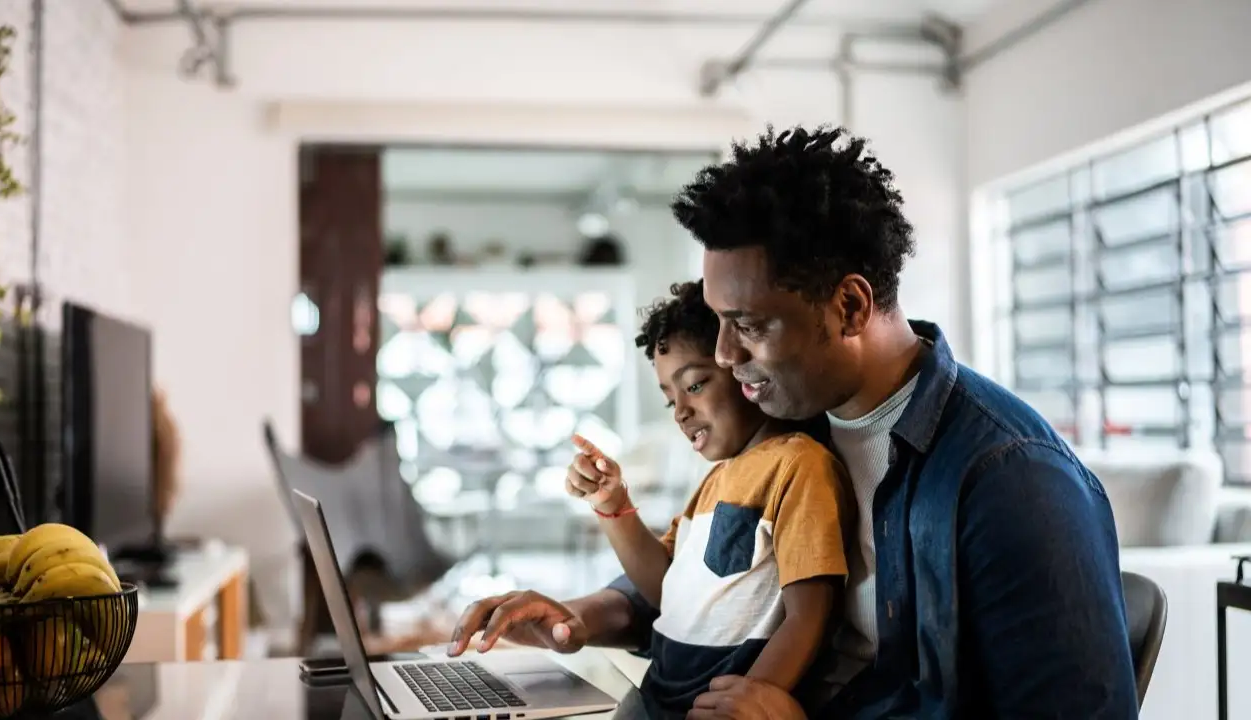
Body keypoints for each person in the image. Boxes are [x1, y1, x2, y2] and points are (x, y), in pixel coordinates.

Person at [448, 125, 1138, 719]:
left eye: (747, 325)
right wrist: (573, 620)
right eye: (718, 323)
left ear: (849, 306)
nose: (723, 356)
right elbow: (703, 577)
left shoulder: (1012, 482)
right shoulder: (792, 422)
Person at [560, 280, 853, 717]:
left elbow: (810, 614)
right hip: (655, 699)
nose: (680, 411)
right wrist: (611, 504)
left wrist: (754, 696)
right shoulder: (715, 481)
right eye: (669, 400)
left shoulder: (799, 465)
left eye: (695, 385)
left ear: (743, 368)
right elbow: (665, 589)